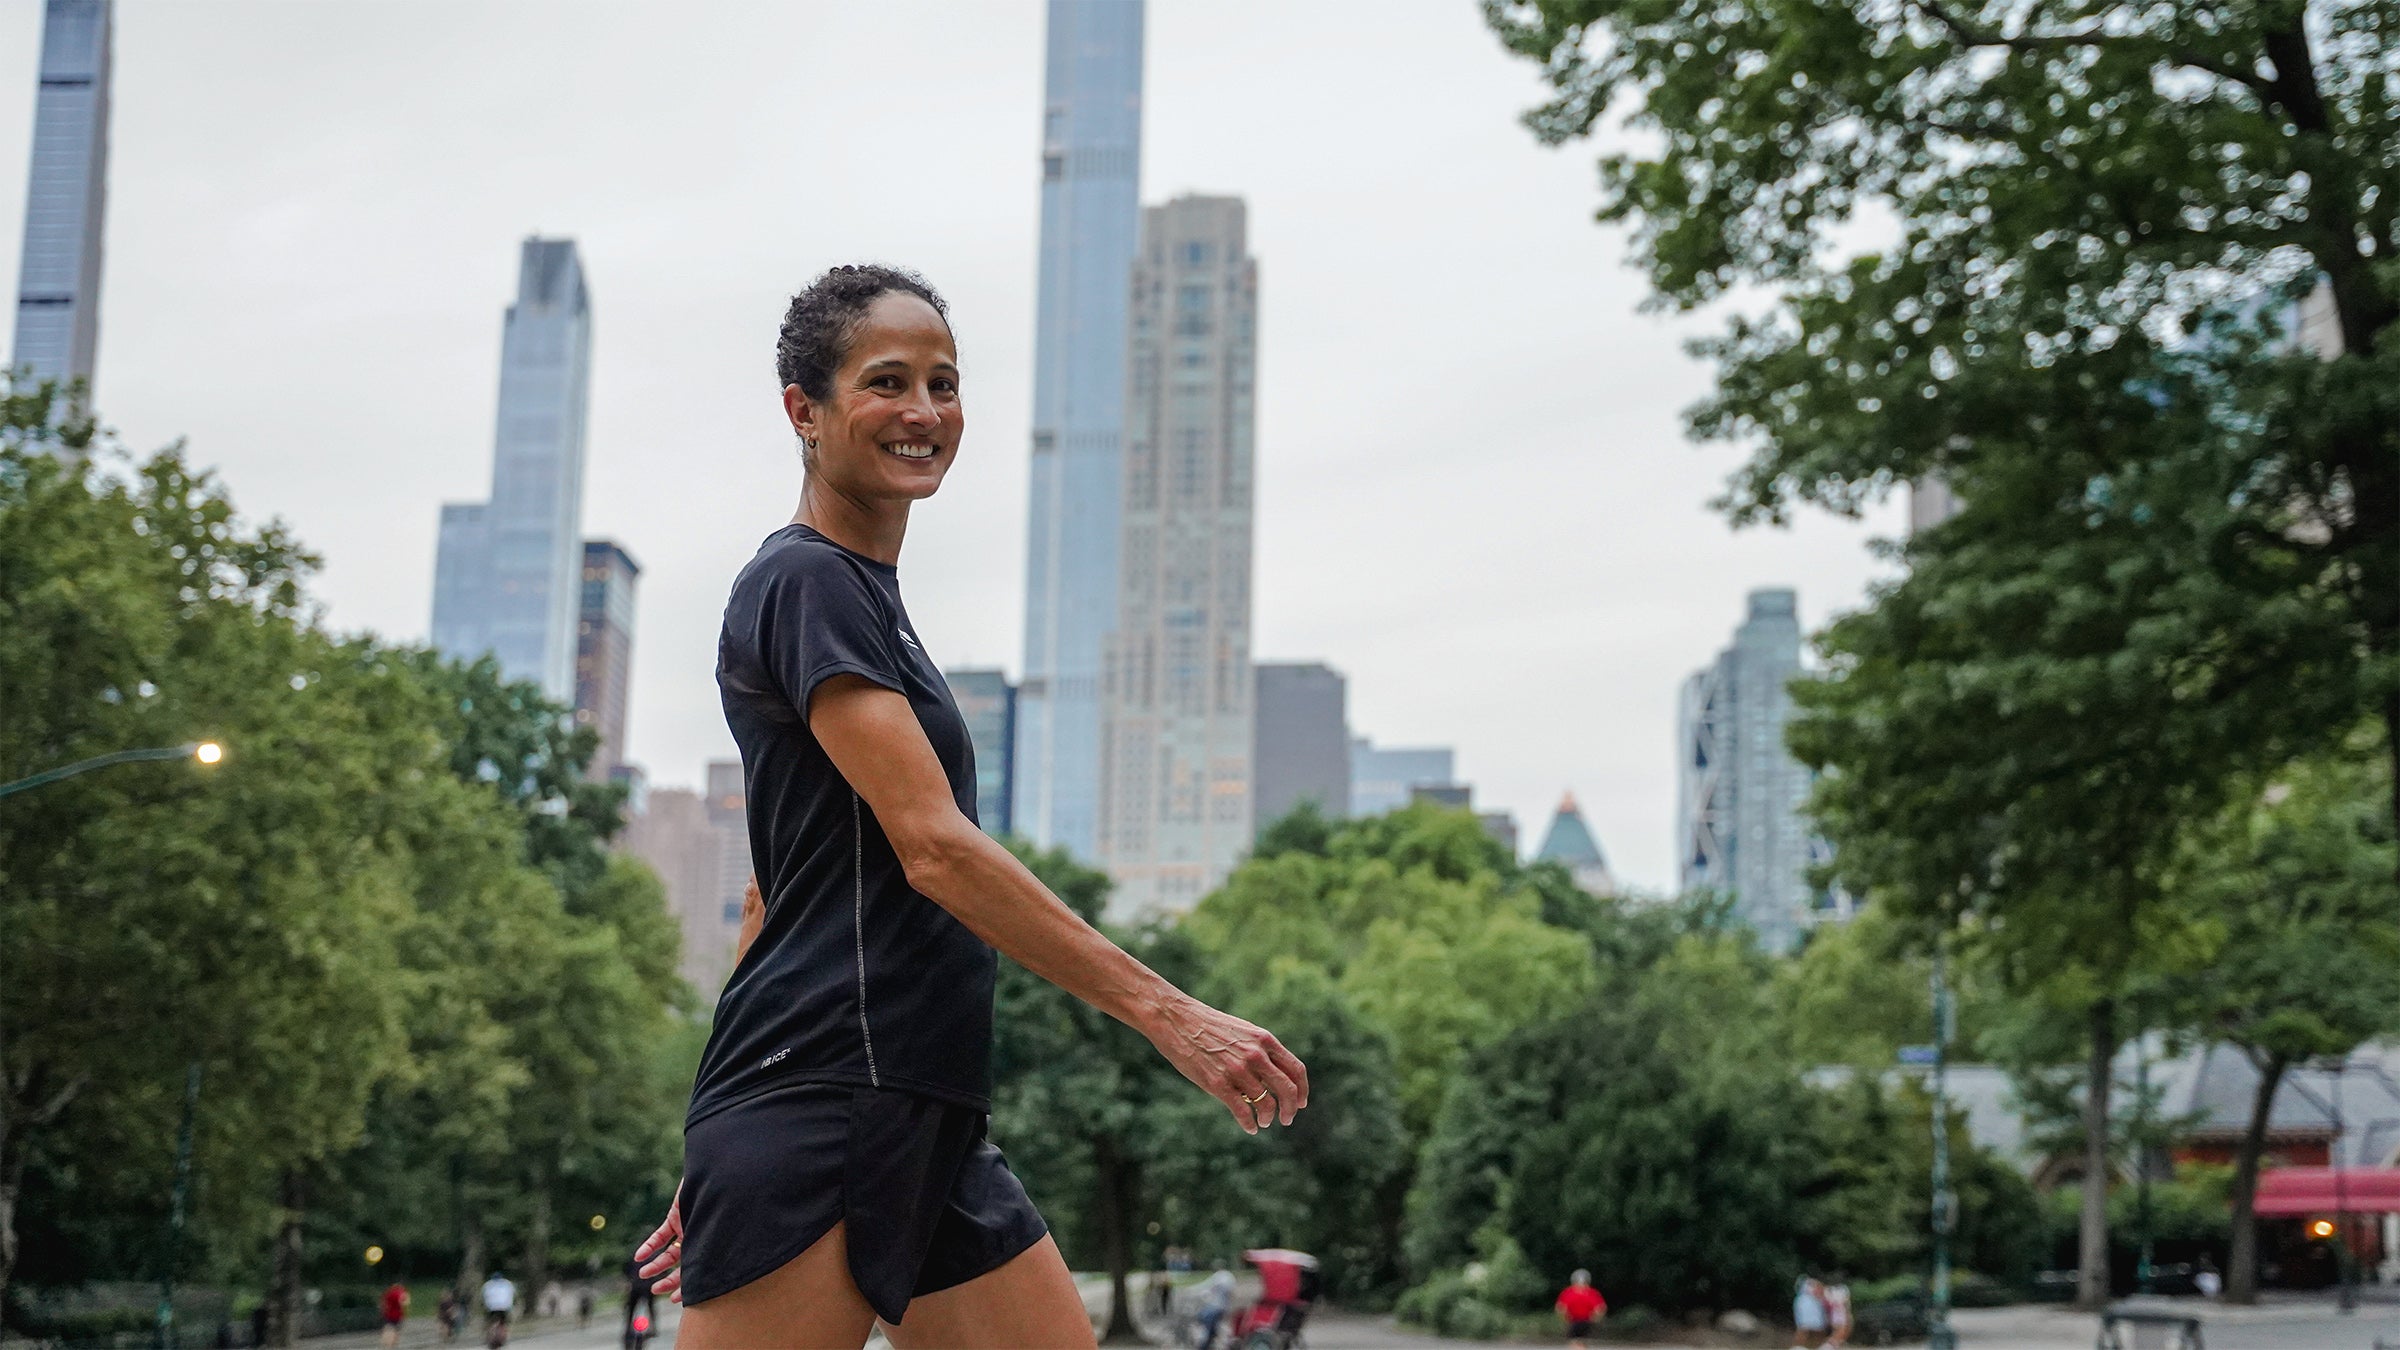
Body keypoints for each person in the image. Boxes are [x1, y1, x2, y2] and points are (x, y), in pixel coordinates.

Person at [632, 267, 1310, 1350]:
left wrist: (725, 1128)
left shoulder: (868, 604)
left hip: (919, 1105)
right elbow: (936, 851)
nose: (924, 412)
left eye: (944, 383)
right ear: (803, 411)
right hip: (827, 1097)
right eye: (887, 382)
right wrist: (1173, 1016)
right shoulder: (804, 583)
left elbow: (772, 887)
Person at [1555, 1269, 1607, 1349]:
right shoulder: (1592, 1293)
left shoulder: (1568, 1292)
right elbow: (1600, 1308)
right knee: (1583, 1342)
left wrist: (1565, 1318)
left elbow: (1560, 1308)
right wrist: (1595, 1319)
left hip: (1574, 1321)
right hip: (1587, 1322)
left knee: (1574, 1341)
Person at [1195, 1266, 1237, 1350]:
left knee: (1205, 1320)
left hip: (1215, 1308)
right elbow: (1231, 1294)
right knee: (1214, 1326)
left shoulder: (1218, 1277)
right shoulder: (1228, 1278)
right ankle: (1212, 1339)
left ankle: (1205, 1343)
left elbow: (1205, 1287)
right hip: (1222, 1308)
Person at [481, 1271, 516, 1348]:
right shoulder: (507, 1283)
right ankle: (504, 1337)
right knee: (505, 1323)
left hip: (491, 1307)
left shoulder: (487, 1285)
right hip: (504, 1307)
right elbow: (512, 1294)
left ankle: (489, 1336)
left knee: (490, 1322)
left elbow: (484, 1297)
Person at [1792, 1276, 1828, 1348]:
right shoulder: (1810, 1283)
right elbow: (1819, 1292)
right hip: (1808, 1305)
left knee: (1815, 1329)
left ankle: (1804, 1346)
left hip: (1810, 1305)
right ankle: (1798, 1346)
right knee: (1804, 1328)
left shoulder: (1806, 1283)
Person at [379, 1281, 409, 1350]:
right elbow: (404, 1303)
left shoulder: (388, 1293)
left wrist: (382, 1312)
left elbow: (383, 1304)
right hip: (397, 1316)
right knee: (395, 1331)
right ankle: (391, 1346)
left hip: (388, 1315)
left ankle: (385, 1344)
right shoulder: (399, 1293)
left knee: (387, 1329)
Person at [1824, 1277, 1852, 1348]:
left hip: (1841, 1310)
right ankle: (1831, 1342)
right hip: (1835, 1311)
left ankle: (1834, 1342)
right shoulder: (1829, 1290)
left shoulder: (1842, 1289)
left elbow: (1846, 1301)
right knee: (1839, 1328)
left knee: (1842, 1329)